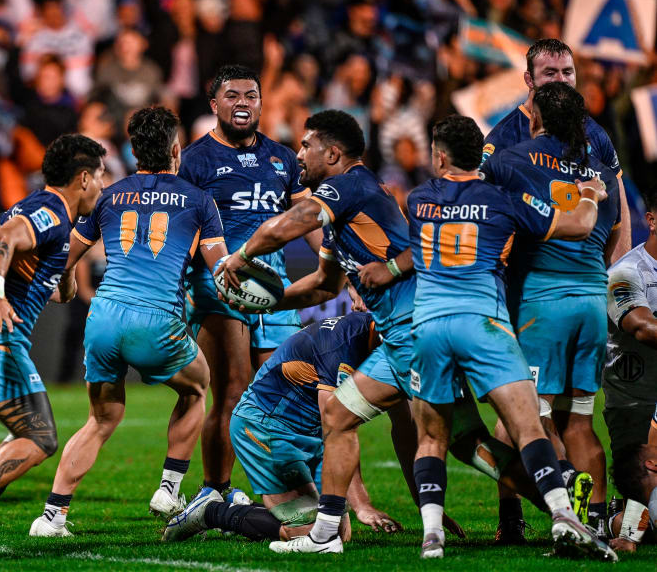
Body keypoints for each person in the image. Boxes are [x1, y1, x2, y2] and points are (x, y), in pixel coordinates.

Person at [216, 109, 548, 554]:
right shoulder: (345, 214)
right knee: (469, 443)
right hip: (406, 335)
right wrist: (267, 301)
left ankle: (324, 534)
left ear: (332, 153)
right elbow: (322, 285)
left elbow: (287, 225)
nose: (299, 153)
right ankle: (568, 507)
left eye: (306, 145)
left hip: (415, 331)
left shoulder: (351, 184)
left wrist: (240, 258)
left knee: (341, 416)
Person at [405, 115, 614, 561]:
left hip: (429, 327)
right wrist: (591, 195)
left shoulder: (417, 199)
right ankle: (562, 515)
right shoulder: (502, 198)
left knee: (432, 438)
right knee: (525, 426)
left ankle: (432, 538)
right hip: (484, 324)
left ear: (439, 156)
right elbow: (576, 225)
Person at [29, 106, 223, 538]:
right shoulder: (198, 199)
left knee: (100, 419)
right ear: (176, 149)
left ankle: (51, 515)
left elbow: (66, 257)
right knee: (197, 387)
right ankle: (169, 488)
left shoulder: (109, 195)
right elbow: (219, 266)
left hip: (104, 316)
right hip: (156, 318)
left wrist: (62, 288)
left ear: (134, 151)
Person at [0, 134, 106, 559]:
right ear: (83, 179)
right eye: (100, 177)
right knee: (41, 437)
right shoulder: (49, 212)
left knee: (24, 431)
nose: (101, 187)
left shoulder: (41, 209)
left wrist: (54, 277)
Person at [481, 82, 621, 532]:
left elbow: (487, 214)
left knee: (529, 421)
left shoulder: (510, 159)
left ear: (534, 117)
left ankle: (564, 512)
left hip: (544, 301)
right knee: (578, 421)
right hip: (592, 301)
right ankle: (596, 519)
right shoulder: (600, 171)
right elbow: (614, 232)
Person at [163, 313, 423, 547]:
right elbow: (336, 429)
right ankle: (211, 511)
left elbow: (405, 428)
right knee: (309, 532)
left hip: (310, 436)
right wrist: (362, 505)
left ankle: (242, 507)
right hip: (266, 428)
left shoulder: (387, 347)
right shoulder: (341, 345)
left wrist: (426, 504)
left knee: (337, 532)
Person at [177, 64, 308, 507]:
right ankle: (214, 490)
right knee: (232, 389)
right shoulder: (195, 160)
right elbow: (182, 229)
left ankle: (286, 489)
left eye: (251, 95)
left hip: (276, 288)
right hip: (220, 285)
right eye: (232, 95)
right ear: (214, 105)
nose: (243, 103)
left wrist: (341, 263)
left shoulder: (283, 158)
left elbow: (305, 219)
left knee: (286, 389)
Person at [480, 39, 630, 262]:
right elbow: (485, 208)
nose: (561, 80)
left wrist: (619, 277)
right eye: (550, 73)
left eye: (568, 72)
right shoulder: (503, 138)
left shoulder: (596, 133)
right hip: (529, 277)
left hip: (586, 274)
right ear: (529, 79)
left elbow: (620, 207)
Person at [604, 186, 657, 552]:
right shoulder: (625, 272)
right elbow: (642, 327)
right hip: (635, 398)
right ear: (651, 220)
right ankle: (625, 524)